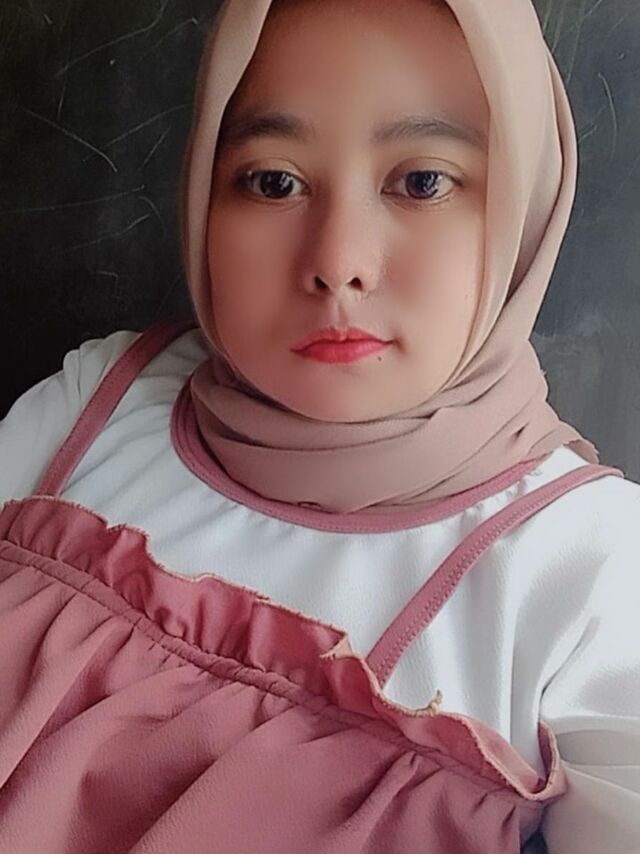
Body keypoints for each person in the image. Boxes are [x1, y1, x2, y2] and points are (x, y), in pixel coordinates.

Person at [0, 0, 638, 851]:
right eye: (275, 181)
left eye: (423, 181)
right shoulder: (98, 403)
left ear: (524, 204)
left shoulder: (593, 574)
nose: (338, 262)